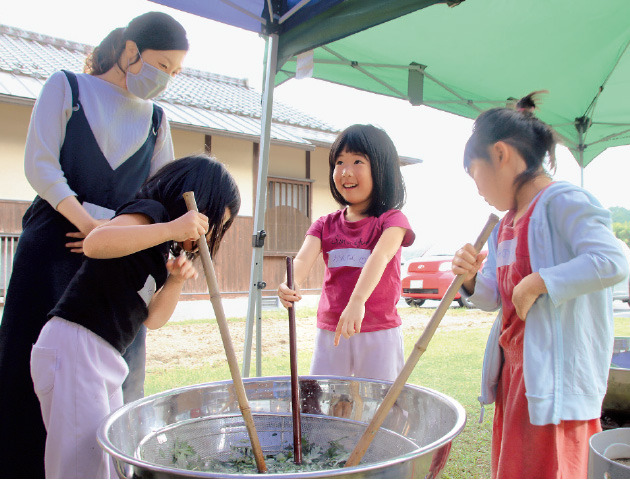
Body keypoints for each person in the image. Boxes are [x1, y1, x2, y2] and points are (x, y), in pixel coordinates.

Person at [0, 11, 189, 478]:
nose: (166, 79)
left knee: (114, 387)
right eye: (161, 65)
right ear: (130, 52)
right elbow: (41, 166)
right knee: (29, 378)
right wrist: (91, 225)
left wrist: (113, 236)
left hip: (116, 268)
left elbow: (159, 194)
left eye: (174, 73)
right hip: (52, 247)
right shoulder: (66, 87)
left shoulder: (157, 121)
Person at [451, 92, 629, 478]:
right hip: (517, 380)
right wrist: (468, 280)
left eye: (474, 173)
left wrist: (539, 282)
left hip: (557, 383)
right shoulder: (504, 227)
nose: (477, 187)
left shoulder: (563, 200)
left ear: (500, 154)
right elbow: (494, 298)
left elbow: (612, 261)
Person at [30, 154, 241, 478]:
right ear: (193, 203)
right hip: (75, 345)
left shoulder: (163, 248)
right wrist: (170, 227)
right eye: (212, 221)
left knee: (110, 464)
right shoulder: (150, 213)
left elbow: (153, 319)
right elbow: (96, 242)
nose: (209, 235)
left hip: (102, 355)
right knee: (81, 469)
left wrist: (175, 281)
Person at [277, 124, 415, 382]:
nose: (345, 171)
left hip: (378, 329)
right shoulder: (324, 224)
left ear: (381, 168)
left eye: (357, 161)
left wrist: (357, 302)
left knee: (381, 404)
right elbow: (302, 260)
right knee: (327, 401)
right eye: (339, 162)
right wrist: (288, 283)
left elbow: (380, 257)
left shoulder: (393, 220)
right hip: (332, 329)